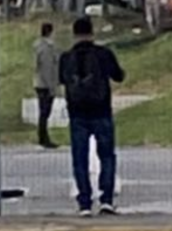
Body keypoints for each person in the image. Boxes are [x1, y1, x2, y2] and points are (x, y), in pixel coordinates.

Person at [59, 17, 125, 217]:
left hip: (77, 113)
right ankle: (106, 200)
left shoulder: (66, 57)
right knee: (106, 156)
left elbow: (62, 79)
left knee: (80, 158)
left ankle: (84, 202)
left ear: (74, 34)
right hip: (101, 110)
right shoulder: (103, 54)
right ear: (92, 32)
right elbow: (119, 76)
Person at [34, 22, 60, 149]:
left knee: (43, 112)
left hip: (39, 82)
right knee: (45, 112)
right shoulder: (47, 48)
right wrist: (52, 87)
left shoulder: (38, 46)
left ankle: (43, 137)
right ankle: (43, 138)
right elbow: (48, 68)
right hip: (45, 84)